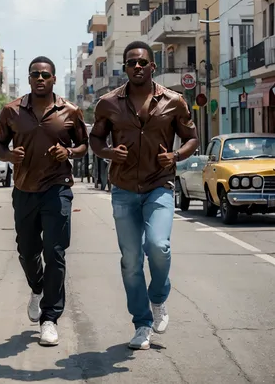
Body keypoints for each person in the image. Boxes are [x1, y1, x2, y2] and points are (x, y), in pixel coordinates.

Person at [90, 41, 198, 350]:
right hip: (123, 189)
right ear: (124, 68)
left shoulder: (174, 101)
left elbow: (192, 138)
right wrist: (109, 152)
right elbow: (96, 139)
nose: (137, 66)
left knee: (158, 246)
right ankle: (141, 324)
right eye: (131, 62)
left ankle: (159, 298)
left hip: (159, 185)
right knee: (131, 260)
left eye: (142, 62)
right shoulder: (107, 103)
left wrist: (176, 156)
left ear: (153, 66)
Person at [0, 56, 89, 346]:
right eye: (35, 74)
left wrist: (69, 153)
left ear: (54, 79)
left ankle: (49, 318)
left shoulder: (70, 111)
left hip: (57, 188)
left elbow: (84, 145)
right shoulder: (11, 111)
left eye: (45, 74)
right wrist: (8, 156)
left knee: (55, 252)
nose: (40, 78)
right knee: (26, 249)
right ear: (29, 78)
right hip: (24, 189)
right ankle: (37, 287)